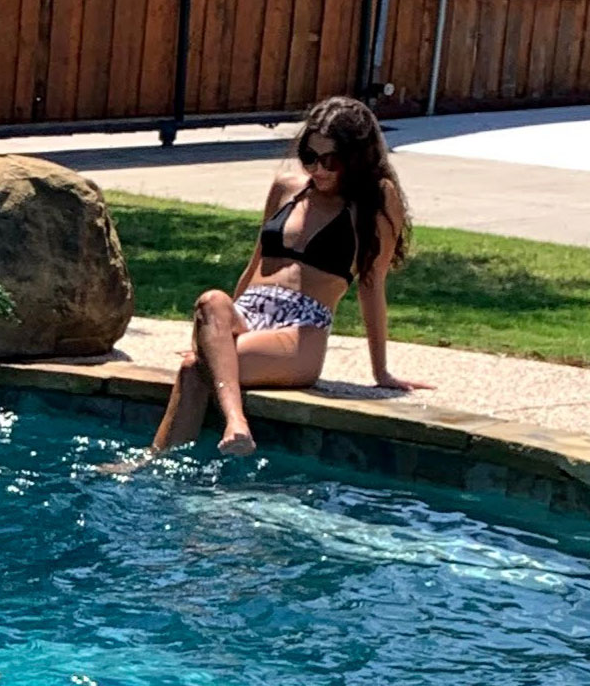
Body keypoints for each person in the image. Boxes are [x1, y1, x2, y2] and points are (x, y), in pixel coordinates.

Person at [125, 96, 432, 463]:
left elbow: (372, 283)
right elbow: (255, 262)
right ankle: (224, 429)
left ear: (356, 158)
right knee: (211, 300)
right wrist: (216, 336)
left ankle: (157, 461)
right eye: (309, 156)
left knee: (196, 368)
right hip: (248, 313)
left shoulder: (376, 200)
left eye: (330, 161)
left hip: (302, 327)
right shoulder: (286, 188)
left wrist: (381, 371)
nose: (317, 169)